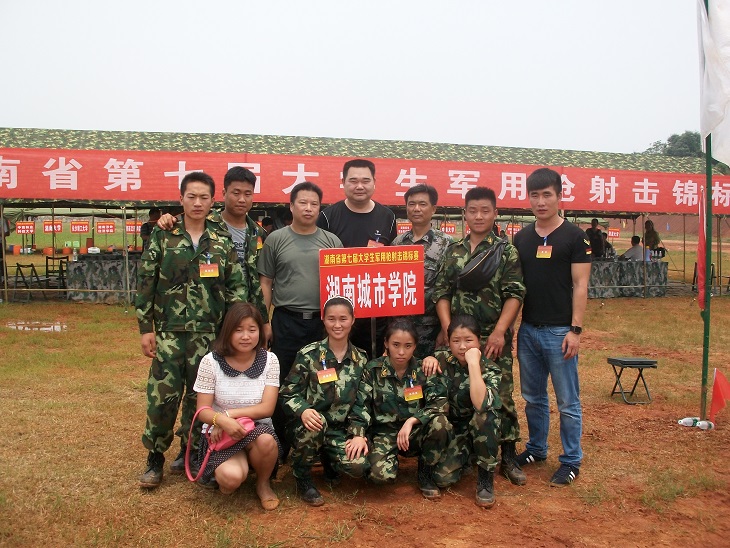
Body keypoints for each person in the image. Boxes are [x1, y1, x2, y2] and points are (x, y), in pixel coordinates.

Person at [136, 171, 247, 489]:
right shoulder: (163, 235)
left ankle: (191, 452)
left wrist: (233, 331)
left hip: (209, 335)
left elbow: (235, 287)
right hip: (169, 333)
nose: (197, 203)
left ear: (213, 201)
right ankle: (155, 458)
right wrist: (146, 327)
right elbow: (146, 281)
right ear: (181, 198)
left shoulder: (221, 239)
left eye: (204, 197)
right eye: (191, 196)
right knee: (162, 397)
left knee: (200, 398)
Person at [432, 186, 526, 486]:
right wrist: (449, 331)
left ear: (495, 213)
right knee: (459, 393)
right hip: (459, 338)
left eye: (485, 210)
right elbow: (442, 292)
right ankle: (466, 450)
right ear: (465, 214)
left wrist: (499, 332)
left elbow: (514, 294)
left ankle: (508, 456)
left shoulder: (506, 251)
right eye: (473, 211)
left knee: (503, 395)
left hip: (492, 338)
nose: (479, 216)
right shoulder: (453, 251)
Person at [513, 167, 591, 486]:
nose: (541, 202)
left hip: (561, 331)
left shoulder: (574, 236)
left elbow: (581, 284)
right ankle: (536, 448)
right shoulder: (522, 238)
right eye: (535, 195)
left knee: (567, 401)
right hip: (529, 329)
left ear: (559, 196)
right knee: (533, 397)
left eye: (547, 195)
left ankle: (571, 460)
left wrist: (575, 330)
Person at [258, 181, 343, 461]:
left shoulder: (331, 241)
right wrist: (265, 321)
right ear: (291, 206)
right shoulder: (276, 239)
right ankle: (281, 443)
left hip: (322, 323)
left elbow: (340, 285)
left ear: (320, 208)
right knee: (283, 380)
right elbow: (266, 282)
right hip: (286, 321)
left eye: (314, 204)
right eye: (302, 203)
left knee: (323, 379)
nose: (308, 208)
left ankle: (318, 445)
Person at [158, 166, 271, 345]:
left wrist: (263, 320)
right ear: (224, 193)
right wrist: (167, 218)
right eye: (236, 193)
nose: (241, 199)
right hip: (211, 311)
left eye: (247, 194)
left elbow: (260, 280)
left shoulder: (258, 233)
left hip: (245, 313)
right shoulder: (205, 223)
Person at [278, 296, 370, 506]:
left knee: (359, 466)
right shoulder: (308, 355)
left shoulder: (361, 359)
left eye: (343, 319)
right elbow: (287, 392)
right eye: (331, 319)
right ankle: (303, 477)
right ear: (323, 319)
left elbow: (362, 402)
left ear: (353, 320)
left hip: (339, 430)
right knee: (315, 425)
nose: (337, 325)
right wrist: (303, 410)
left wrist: (357, 434)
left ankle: (330, 460)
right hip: (308, 426)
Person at [347, 317, 450, 499]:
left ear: (415, 346)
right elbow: (361, 405)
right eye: (396, 345)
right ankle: (388, 460)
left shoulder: (423, 369)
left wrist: (412, 421)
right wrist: (358, 434)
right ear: (386, 343)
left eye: (408, 346)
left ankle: (425, 472)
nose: (401, 352)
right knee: (379, 476)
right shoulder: (373, 370)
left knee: (440, 423)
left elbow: (439, 403)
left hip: (414, 433)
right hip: (384, 433)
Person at [192, 303, 281, 510]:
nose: (246, 336)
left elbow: (267, 409)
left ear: (260, 331)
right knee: (230, 480)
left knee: (266, 441)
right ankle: (235, 466)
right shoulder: (210, 361)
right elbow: (203, 410)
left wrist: (228, 415)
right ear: (228, 331)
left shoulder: (270, 360)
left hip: (256, 429)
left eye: (252, 330)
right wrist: (221, 421)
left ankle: (263, 483)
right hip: (221, 433)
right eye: (238, 330)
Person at [317, 158, 397, 359]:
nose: (359, 186)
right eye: (353, 181)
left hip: (377, 310)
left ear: (374, 182)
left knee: (375, 360)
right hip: (340, 311)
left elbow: (393, 261)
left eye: (365, 180)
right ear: (343, 182)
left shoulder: (387, 216)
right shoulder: (327, 216)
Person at [431, 315, 502, 508]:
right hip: (456, 431)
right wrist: (428, 359)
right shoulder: (441, 360)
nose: (462, 347)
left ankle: (485, 477)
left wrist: (473, 364)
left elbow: (480, 404)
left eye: (468, 340)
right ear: (448, 342)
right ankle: (468, 456)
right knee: (442, 479)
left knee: (484, 417)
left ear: (479, 341)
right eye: (456, 341)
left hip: (481, 427)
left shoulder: (491, 369)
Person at [391, 184, 452, 358]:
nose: (416, 209)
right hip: (401, 329)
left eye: (422, 204)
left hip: (432, 330)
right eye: (411, 204)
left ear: (433, 209)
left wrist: (445, 328)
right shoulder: (397, 243)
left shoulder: (447, 244)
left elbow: (450, 288)